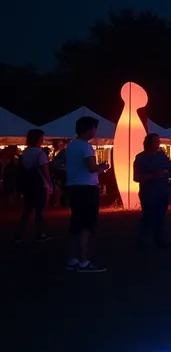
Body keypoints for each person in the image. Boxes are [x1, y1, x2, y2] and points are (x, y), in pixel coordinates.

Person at [65, 116, 109, 272]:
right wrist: (101, 167)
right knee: (86, 223)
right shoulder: (86, 146)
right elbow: (91, 167)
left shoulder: (71, 145)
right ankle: (84, 261)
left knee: (76, 222)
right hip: (86, 188)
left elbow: (60, 163)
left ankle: (72, 259)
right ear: (89, 128)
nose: (95, 131)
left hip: (73, 186)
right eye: (95, 128)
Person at [133, 132, 171, 249]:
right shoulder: (140, 158)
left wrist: (169, 173)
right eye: (156, 141)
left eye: (158, 141)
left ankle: (159, 239)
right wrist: (154, 175)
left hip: (163, 191)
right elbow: (136, 177)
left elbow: (170, 169)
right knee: (149, 216)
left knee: (161, 216)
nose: (158, 143)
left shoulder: (162, 155)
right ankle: (142, 240)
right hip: (149, 193)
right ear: (149, 143)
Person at [16, 128, 53, 243]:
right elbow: (45, 170)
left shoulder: (25, 153)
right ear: (38, 139)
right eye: (42, 138)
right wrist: (50, 183)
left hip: (27, 184)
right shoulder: (40, 153)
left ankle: (20, 233)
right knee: (39, 210)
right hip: (39, 184)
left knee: (27, 209)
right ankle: (40, 233)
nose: (43, 140)